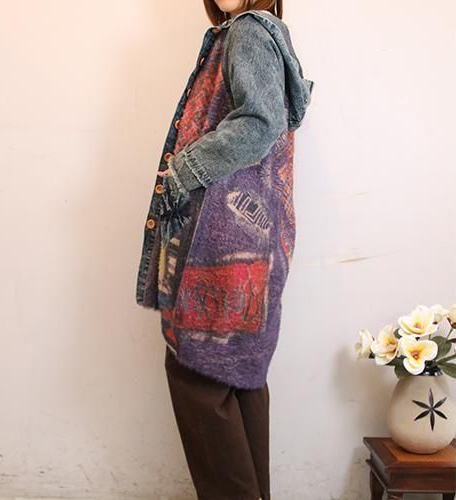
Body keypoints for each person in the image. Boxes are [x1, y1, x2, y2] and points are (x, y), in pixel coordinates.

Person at [135, 1, 313, 498]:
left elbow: (258, 122)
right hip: (254, 238)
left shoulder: (249, 31)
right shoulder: (265, 35)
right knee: (240, 376)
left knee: (197, 372)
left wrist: (184, 168)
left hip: (221, 236)